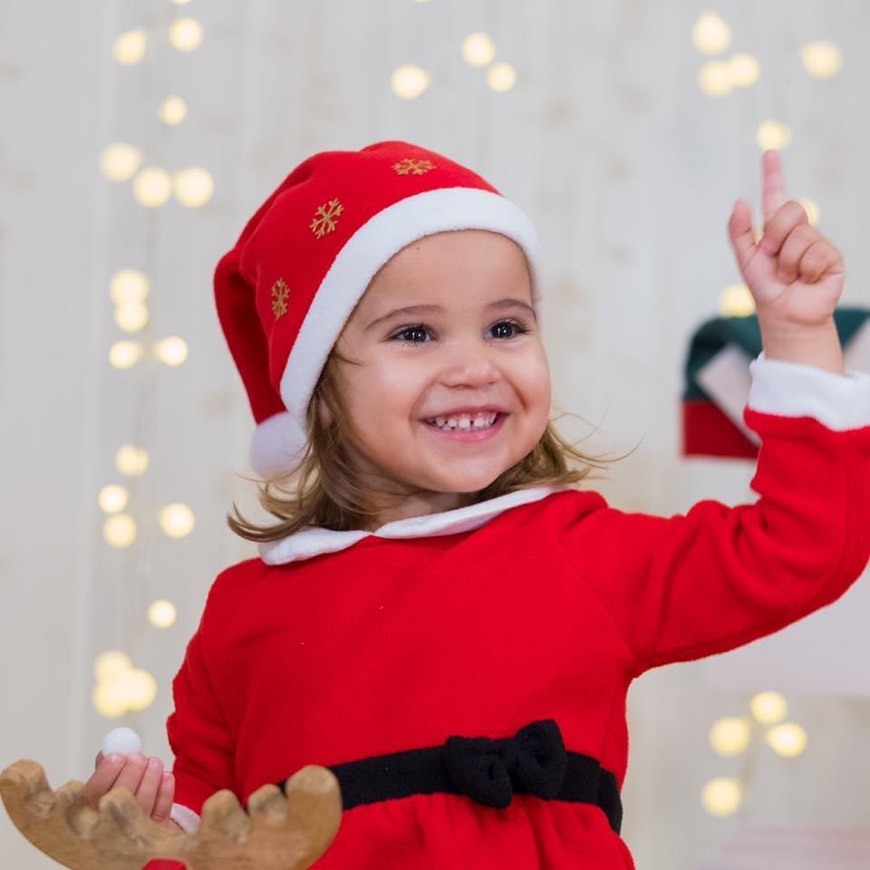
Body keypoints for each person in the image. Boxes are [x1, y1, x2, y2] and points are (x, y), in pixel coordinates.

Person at [83, 140, 870, 868]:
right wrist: (149, 833)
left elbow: (799, 548)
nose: (474, 366)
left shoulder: (577, 553)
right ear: (320, 388)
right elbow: (208, 835)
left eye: (504, 326)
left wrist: (800, 337)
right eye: (416, 334)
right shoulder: (243, 616)